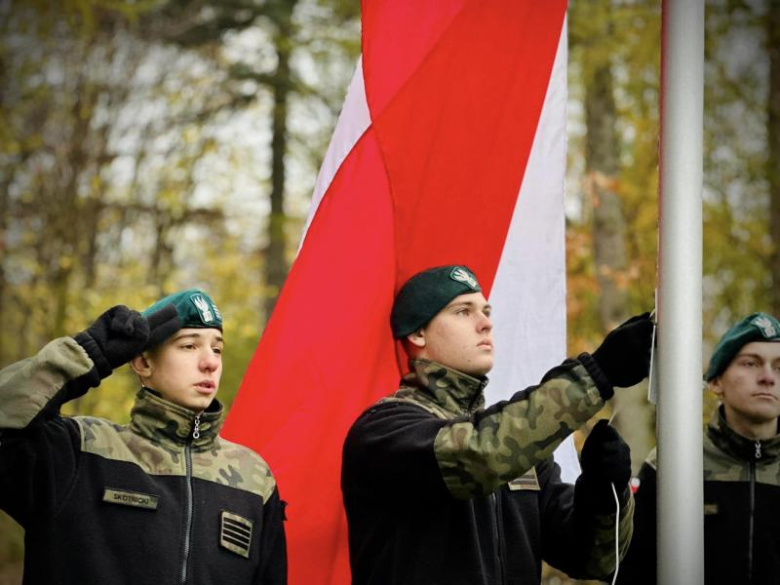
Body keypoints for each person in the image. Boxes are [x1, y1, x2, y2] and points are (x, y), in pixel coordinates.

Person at [341, 265, 654, 585]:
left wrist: (603, 490)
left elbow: (594, 560)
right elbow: (482, 454)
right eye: (463, 312)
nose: (485, 323)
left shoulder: (518, 449)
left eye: (486, 311)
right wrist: (595, 375)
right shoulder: (383, 431)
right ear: (418, 333)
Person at [0, 289, 287, 584]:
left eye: (217, 349)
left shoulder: (254, 478)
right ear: (143, 363)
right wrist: (87, 354)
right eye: (189, 346)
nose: (210, 363)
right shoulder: (78, 451)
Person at [617, 312, 780, 585]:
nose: (767, 377)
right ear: (716, 382)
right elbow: (631, 569)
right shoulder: (675, 464)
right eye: (750, 364)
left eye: (779, 367)